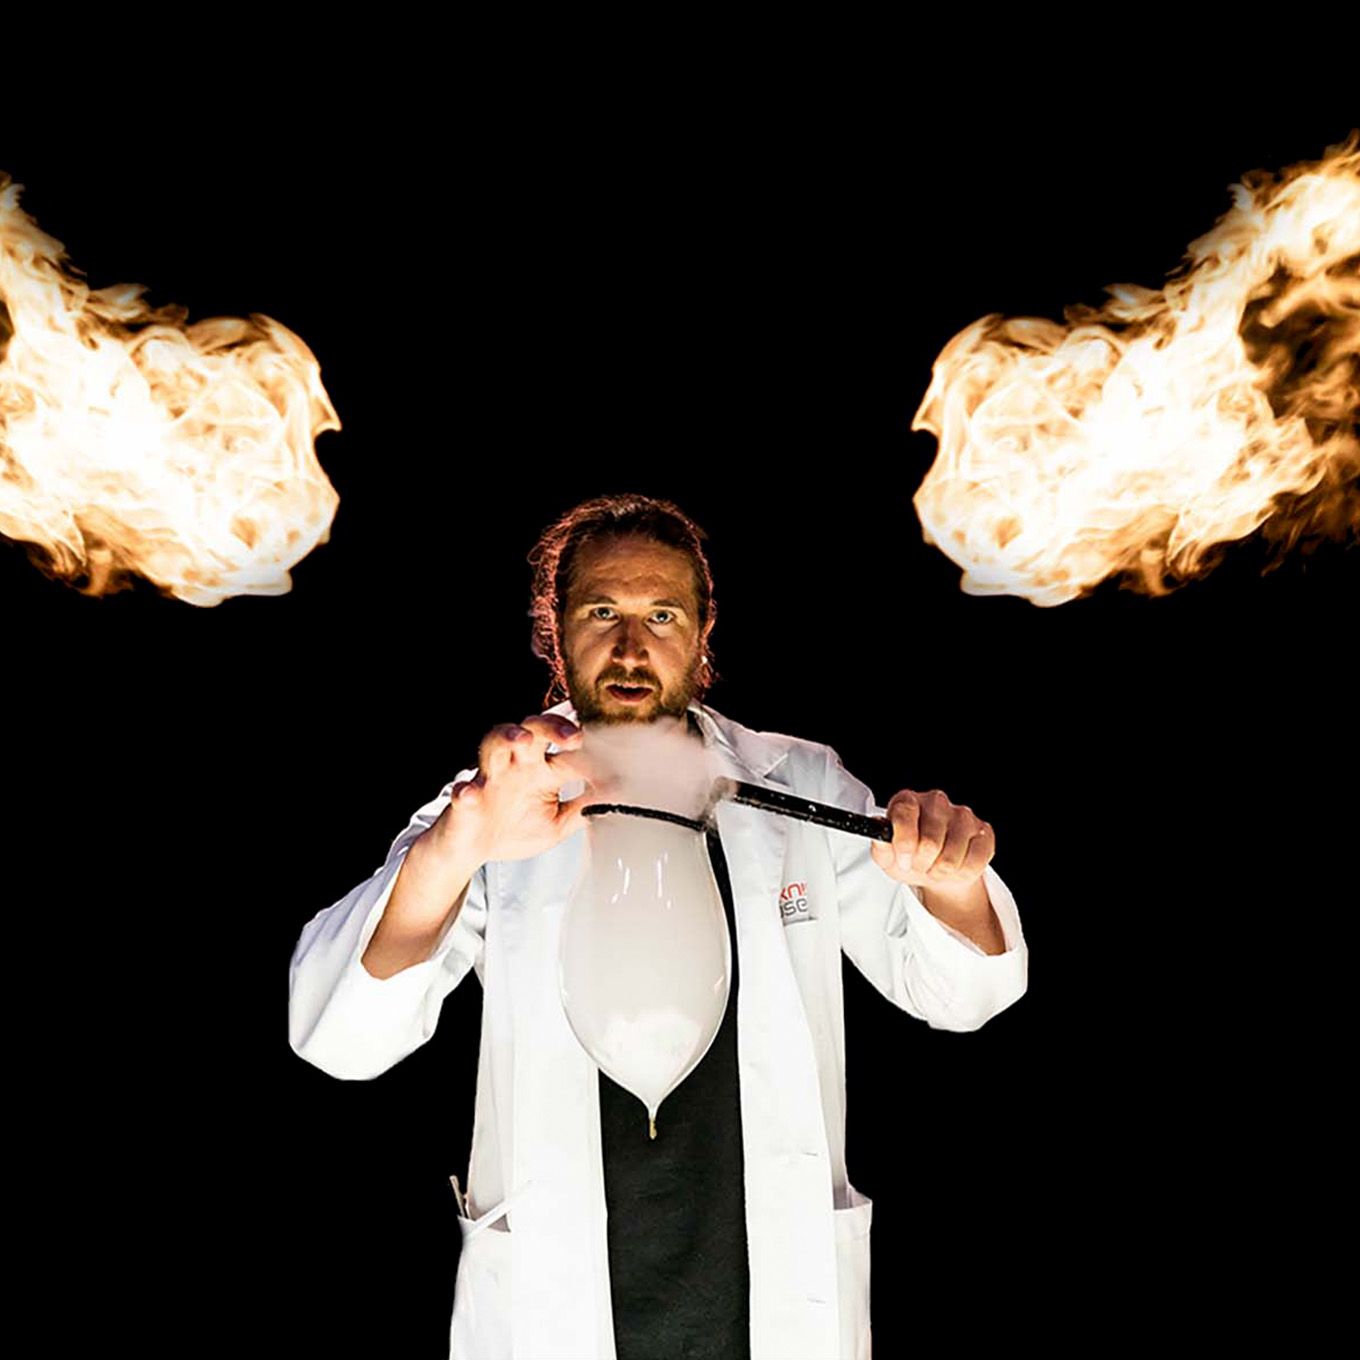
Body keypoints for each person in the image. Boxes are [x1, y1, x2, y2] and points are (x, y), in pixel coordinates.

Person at [288, 493, 1029, 1360]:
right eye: (601, 612)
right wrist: (458, 845)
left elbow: (964, 994)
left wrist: (951, 881)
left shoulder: (801, 787)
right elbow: (341, 1038)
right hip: (556, 1315)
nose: (632, 648)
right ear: (555, 633)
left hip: (772, 1311)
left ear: (703, 631)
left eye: (662, 615)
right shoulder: (497, 803)